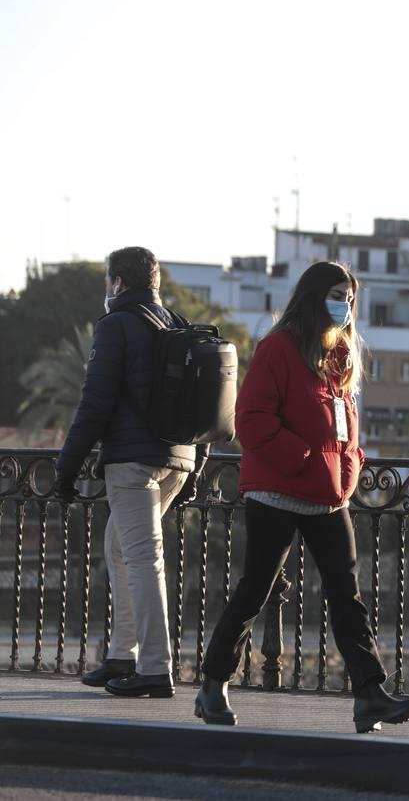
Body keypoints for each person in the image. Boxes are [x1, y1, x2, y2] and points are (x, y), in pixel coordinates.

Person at [196, 261, 409, 733]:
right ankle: (213, 686)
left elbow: (343, 426)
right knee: (254, 591)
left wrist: (352, 463)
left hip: (328, 496)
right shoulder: (279, 348)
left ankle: (369, 695)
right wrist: (302, 458)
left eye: (351, 296)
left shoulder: (338, 353)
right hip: (278, 492)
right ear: (314, 296)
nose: (346, 303)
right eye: (338, 293)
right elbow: (252, 419)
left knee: (347, 595)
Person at [54, 247, 207, 698]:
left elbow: (94, 404)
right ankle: (123, 655)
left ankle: (156, 669)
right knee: (118, 547)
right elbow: (205, 404)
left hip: (133, 463)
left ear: (118, 283)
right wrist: (196, 466)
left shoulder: (116, 325)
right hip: (178, 460)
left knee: (141, 559)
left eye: (108, 281)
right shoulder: (177, 324)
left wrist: (66, 470)